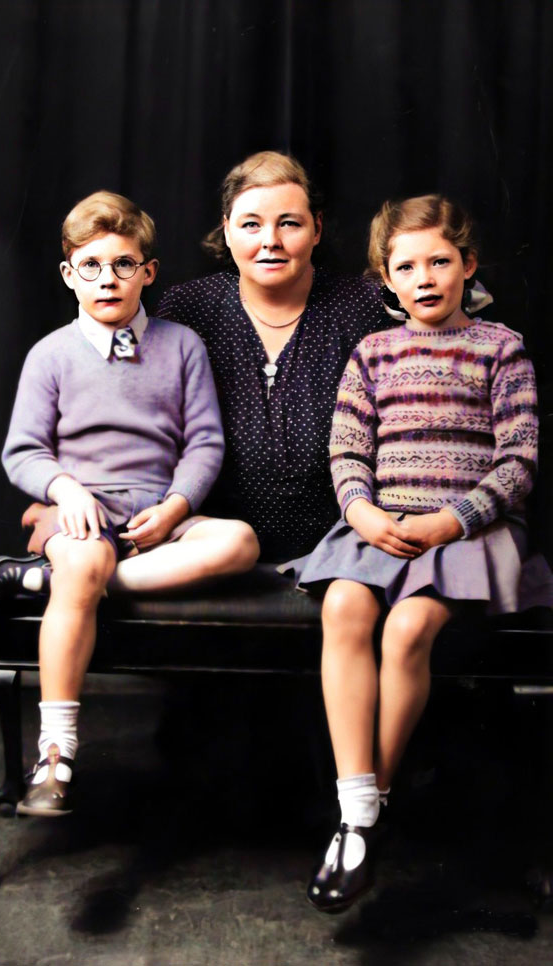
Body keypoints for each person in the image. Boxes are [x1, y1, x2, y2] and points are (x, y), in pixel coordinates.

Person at [0, 190, 259, 816]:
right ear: (69, 275)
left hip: (156, 518)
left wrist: (179, 507)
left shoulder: (181, 346)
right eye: (93, 266)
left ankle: (86, 581)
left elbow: (205, 441)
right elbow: (23, 452)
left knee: (240, 541)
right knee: (81, 558)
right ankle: (56, 753)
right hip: (84, 517)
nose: (109, 279)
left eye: (124, 264)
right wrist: (64, 489)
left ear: (147, 272)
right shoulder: (51, 354)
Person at [298, 194, 549, 913]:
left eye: (440, 260)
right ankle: (358, 812)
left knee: (407, 628)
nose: (425, 276)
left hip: (467, 532)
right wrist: (363, 512)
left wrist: (453, 519)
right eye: (407, 266)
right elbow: (347, 451)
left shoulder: (501, 348)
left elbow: (519, 461)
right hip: (384, 526)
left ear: (468, 265)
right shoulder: (373, 353)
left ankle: (365, 809)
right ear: (387, 279)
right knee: (345, 606)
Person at [156, 151, 391, 564]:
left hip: (345, 544)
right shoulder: (189, 309)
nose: (271, 241)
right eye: (251, 224)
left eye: (289, 223)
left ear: (316, 228)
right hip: (210, 545)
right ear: (227, 231)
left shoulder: (364, 306)